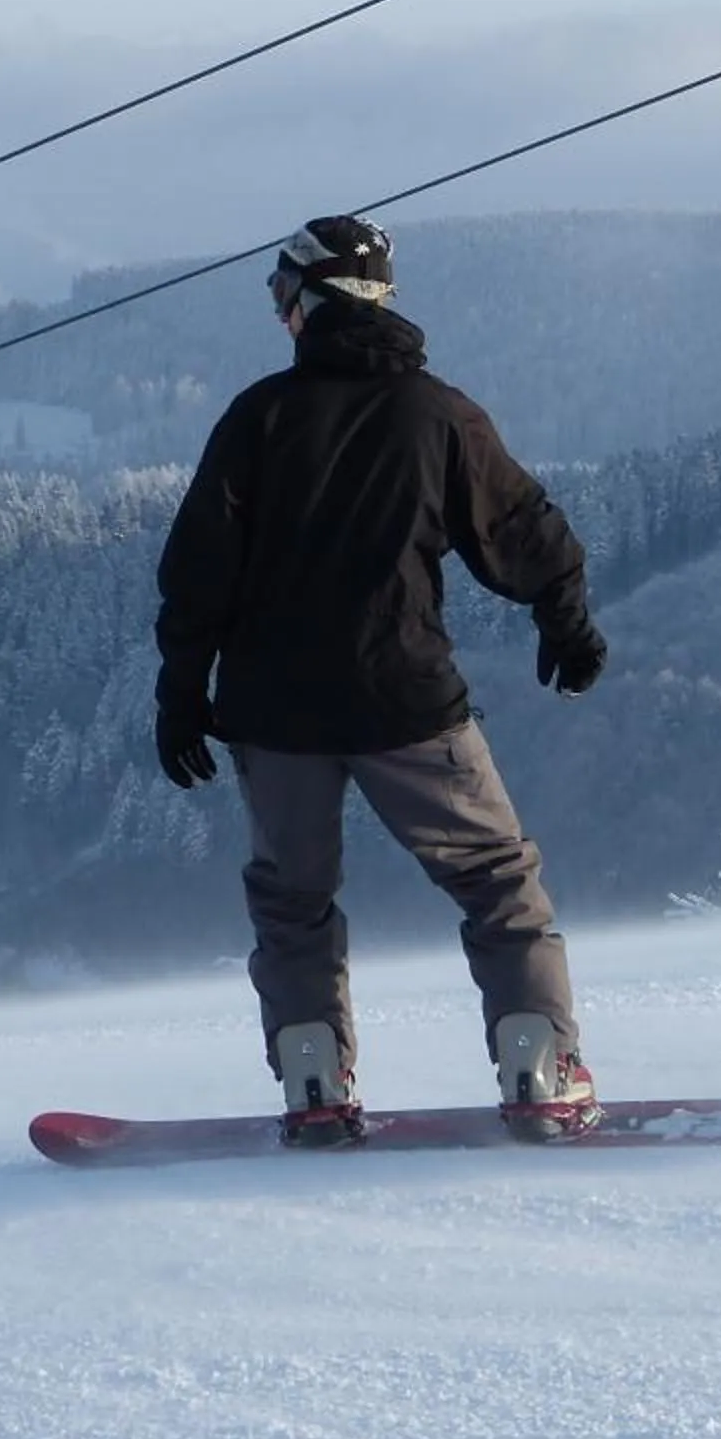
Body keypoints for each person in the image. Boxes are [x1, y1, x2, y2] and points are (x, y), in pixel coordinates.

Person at [154, 215, 610, 1144]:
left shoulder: (258, 419)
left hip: (274, 714)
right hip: (408, 702)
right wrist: (565, 621)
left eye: (282, 299)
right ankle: (539, 1067)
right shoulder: (436, 413)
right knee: (495, 882)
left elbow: (199, 571)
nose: (280, 318)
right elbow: (522, 532)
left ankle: (314, 1085)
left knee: (293, 903)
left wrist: (181, 692)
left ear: (309, 302)